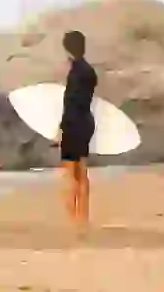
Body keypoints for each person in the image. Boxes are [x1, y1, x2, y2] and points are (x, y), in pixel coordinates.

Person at [54, 29, 97, 235]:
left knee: (70, 173)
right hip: (87, 123)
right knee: (82, 172)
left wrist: (60, 130)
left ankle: (73, 220)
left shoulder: (74, 74)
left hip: (73, 124)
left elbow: (70, 104)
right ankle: (84, 217)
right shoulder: (90, 71)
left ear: (67, 50)